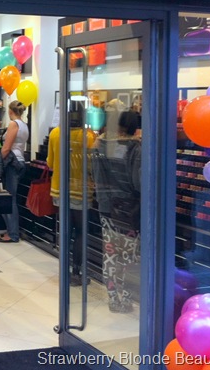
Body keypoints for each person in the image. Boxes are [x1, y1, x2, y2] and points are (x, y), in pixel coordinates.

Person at [91, 110, 141, 313]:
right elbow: (138, 182)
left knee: (111, 254)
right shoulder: (136, 149)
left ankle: (113, 299)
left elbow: (95, 175)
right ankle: (126, 299)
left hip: (106, 207)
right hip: (129, 209)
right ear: (135, 128)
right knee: (129, 256)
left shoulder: (99, 145)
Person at [46, 102, 96, 285]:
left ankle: (64, 270)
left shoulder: (55, 133)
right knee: (81, 231)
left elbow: (50, 163)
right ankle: (77, 270)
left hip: (60, 188)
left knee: (65, 231)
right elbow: (93, 165)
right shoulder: (89, 136)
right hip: (82, 189)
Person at [0, 100, 29, 243]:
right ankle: (11, 229)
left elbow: (6, 148)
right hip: (20, 161)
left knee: (9, 198)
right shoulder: (24, 125)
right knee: (11, 197)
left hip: (12, 163)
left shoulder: (13, 124)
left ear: (10, 111)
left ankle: (13, 233)